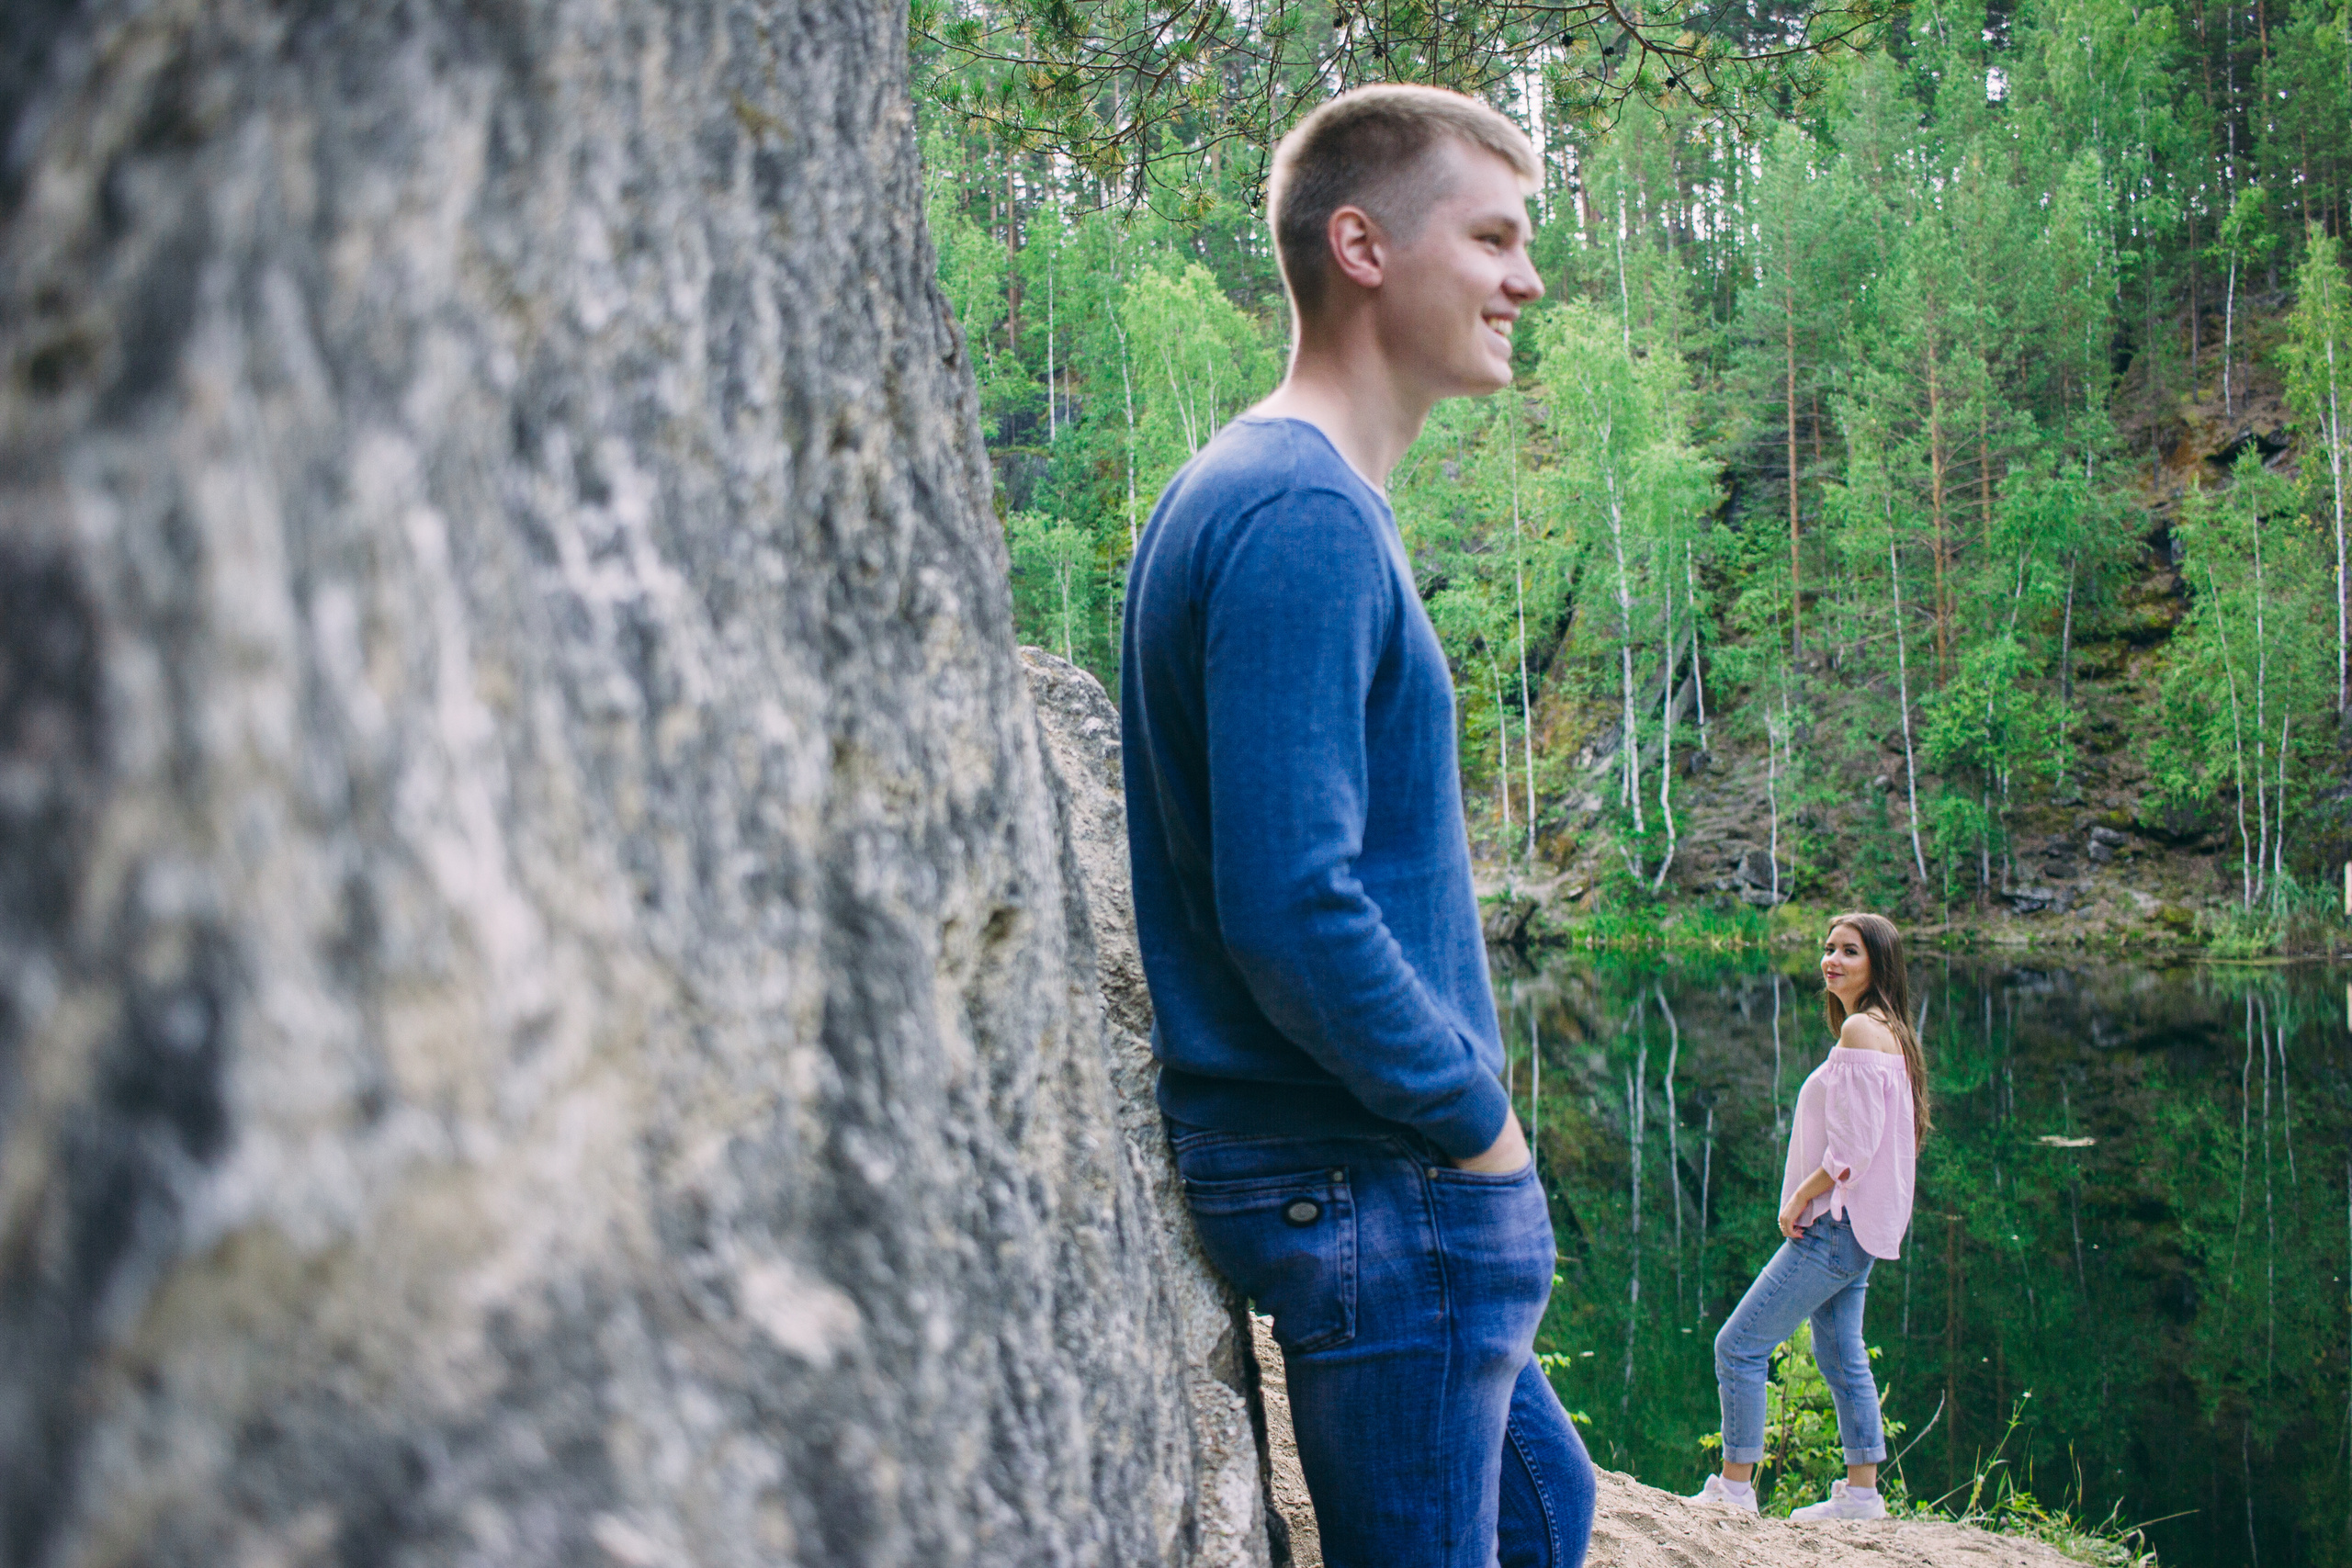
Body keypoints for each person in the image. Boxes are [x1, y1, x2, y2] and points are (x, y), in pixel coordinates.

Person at [1119, 83, 1596, 1568]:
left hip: (1372, 1175)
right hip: (1374, 1178)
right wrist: (1478, 1123)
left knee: (1548, 1513)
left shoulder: (1276, 492)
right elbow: (1291, 902)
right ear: (1363, 246)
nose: (1527, 279)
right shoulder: (1298, 513)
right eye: (1496, 236)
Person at [1689, 911, 1928, 1521]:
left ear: (1878, 962)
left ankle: (1735, 1491)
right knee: (1841, 1354)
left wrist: (1799, 1196)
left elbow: (1851, 1151)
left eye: (1849, 950)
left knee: (1738, 1345)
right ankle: (1862, 1495)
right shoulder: (1888, 1029)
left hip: (1833, 1225)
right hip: (1857, 1230)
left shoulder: (1859, 1032)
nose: (1832, 959)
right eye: (1828, 948)